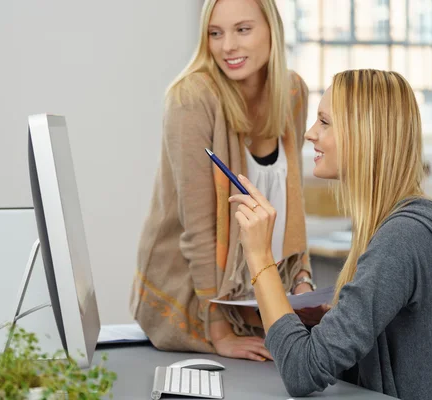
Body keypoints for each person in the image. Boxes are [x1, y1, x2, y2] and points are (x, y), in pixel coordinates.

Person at [229, 69, 432, 399]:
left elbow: (301, 371)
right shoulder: (413, 223)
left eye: (324, 122)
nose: (309, 134)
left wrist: (259, 256)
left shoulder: (403, 238)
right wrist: (332, 324)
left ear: (362, 135)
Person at [130, 0, 315, 360]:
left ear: (271, 30)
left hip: (256, 296)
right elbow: (197, 227)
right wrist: (219, 331)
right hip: (196, 300)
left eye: (242, 30)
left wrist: (301, 282)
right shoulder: (192, 99)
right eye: (215, 33)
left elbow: (293, 201)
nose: (227, 46)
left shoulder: (293, 92)